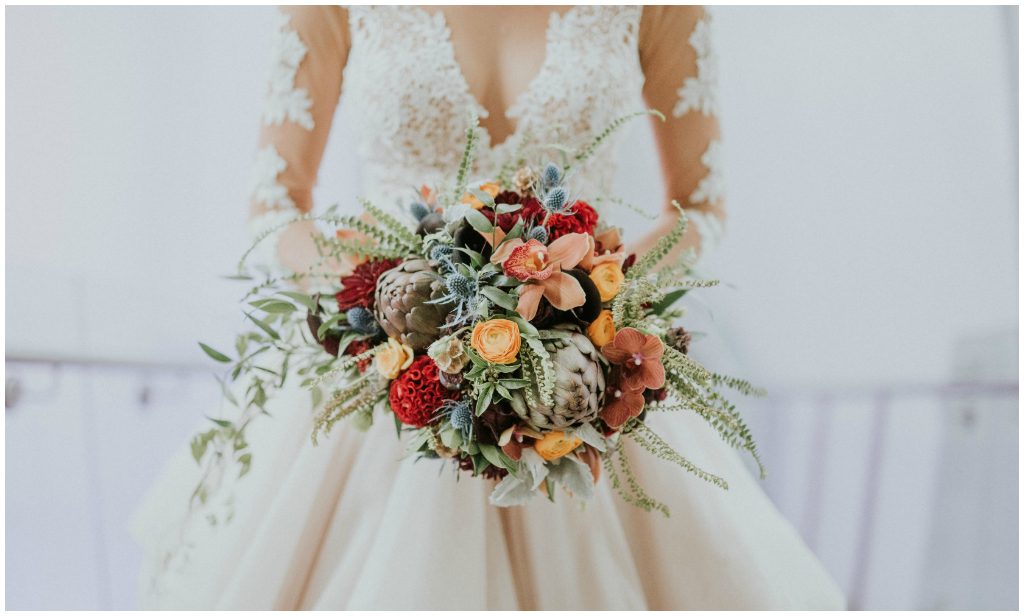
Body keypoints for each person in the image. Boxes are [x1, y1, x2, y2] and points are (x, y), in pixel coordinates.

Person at [134, 6, 845, 609]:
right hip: (382, 370)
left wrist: (594, 304)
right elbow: (276, 204)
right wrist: (382, 300)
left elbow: (700, 204)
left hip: (575, 365)